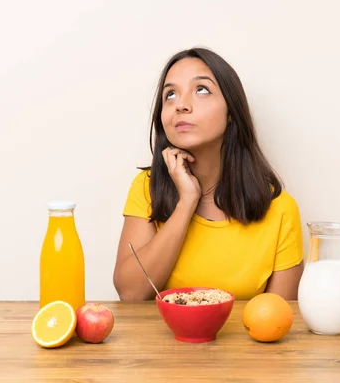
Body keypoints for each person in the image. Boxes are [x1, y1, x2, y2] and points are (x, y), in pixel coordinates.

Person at [113, 47, 304, 301]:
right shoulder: (146, 188)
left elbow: (277, 319)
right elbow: (131, 294)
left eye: (201, 89)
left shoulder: (280, 209)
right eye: (170, 94)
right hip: (163, 342)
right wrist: (187, 202)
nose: (180, 105)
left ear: (231, 113)